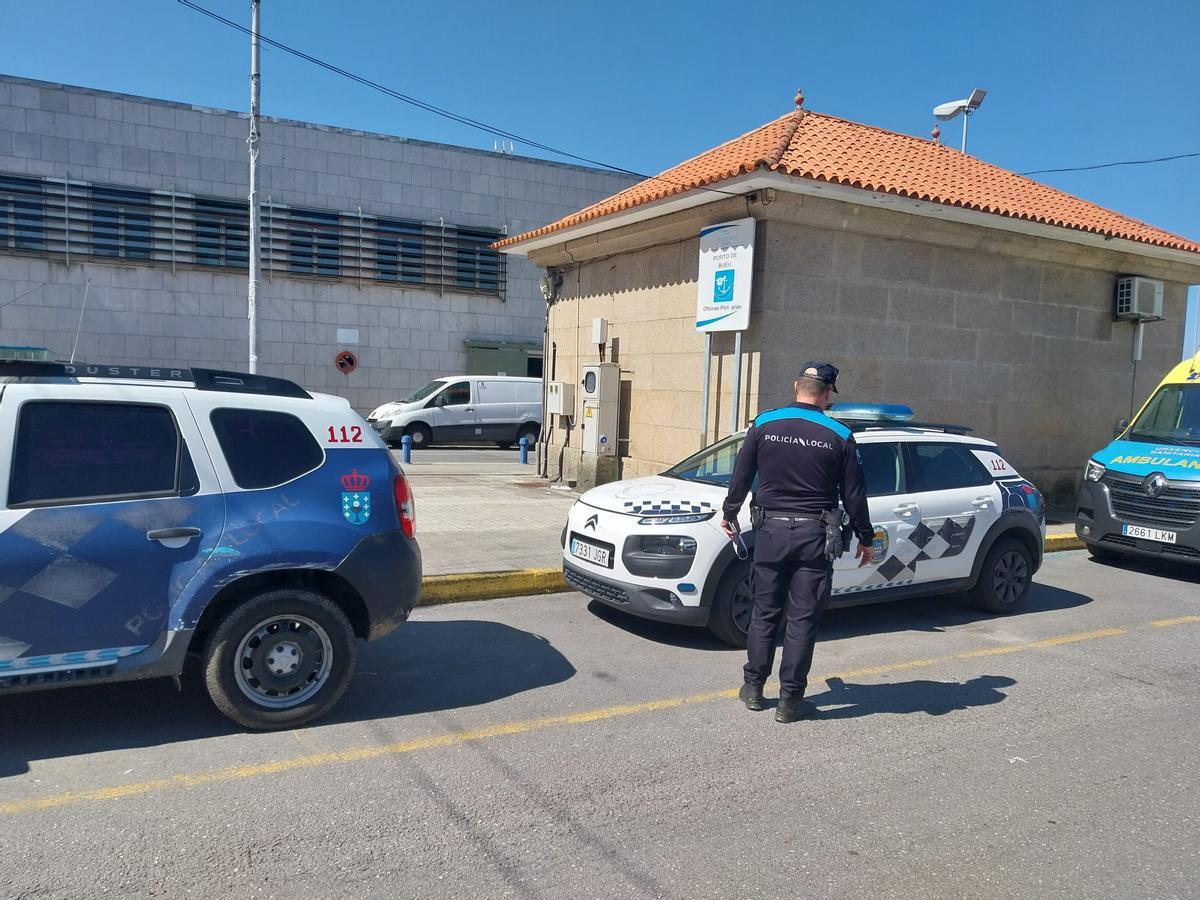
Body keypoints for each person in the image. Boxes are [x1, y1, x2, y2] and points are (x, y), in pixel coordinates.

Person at [720, 362, 874, 723]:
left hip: (771, 533)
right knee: (803, 619)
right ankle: (790, 701)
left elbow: (741, 475)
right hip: (815, 538)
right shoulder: (840, 434)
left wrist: (729, 514)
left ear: (796, 387)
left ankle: (754, 688)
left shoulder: (764, 423)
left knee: (764, 613)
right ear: (826, 394)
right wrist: (865, 538)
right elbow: (854, 494)